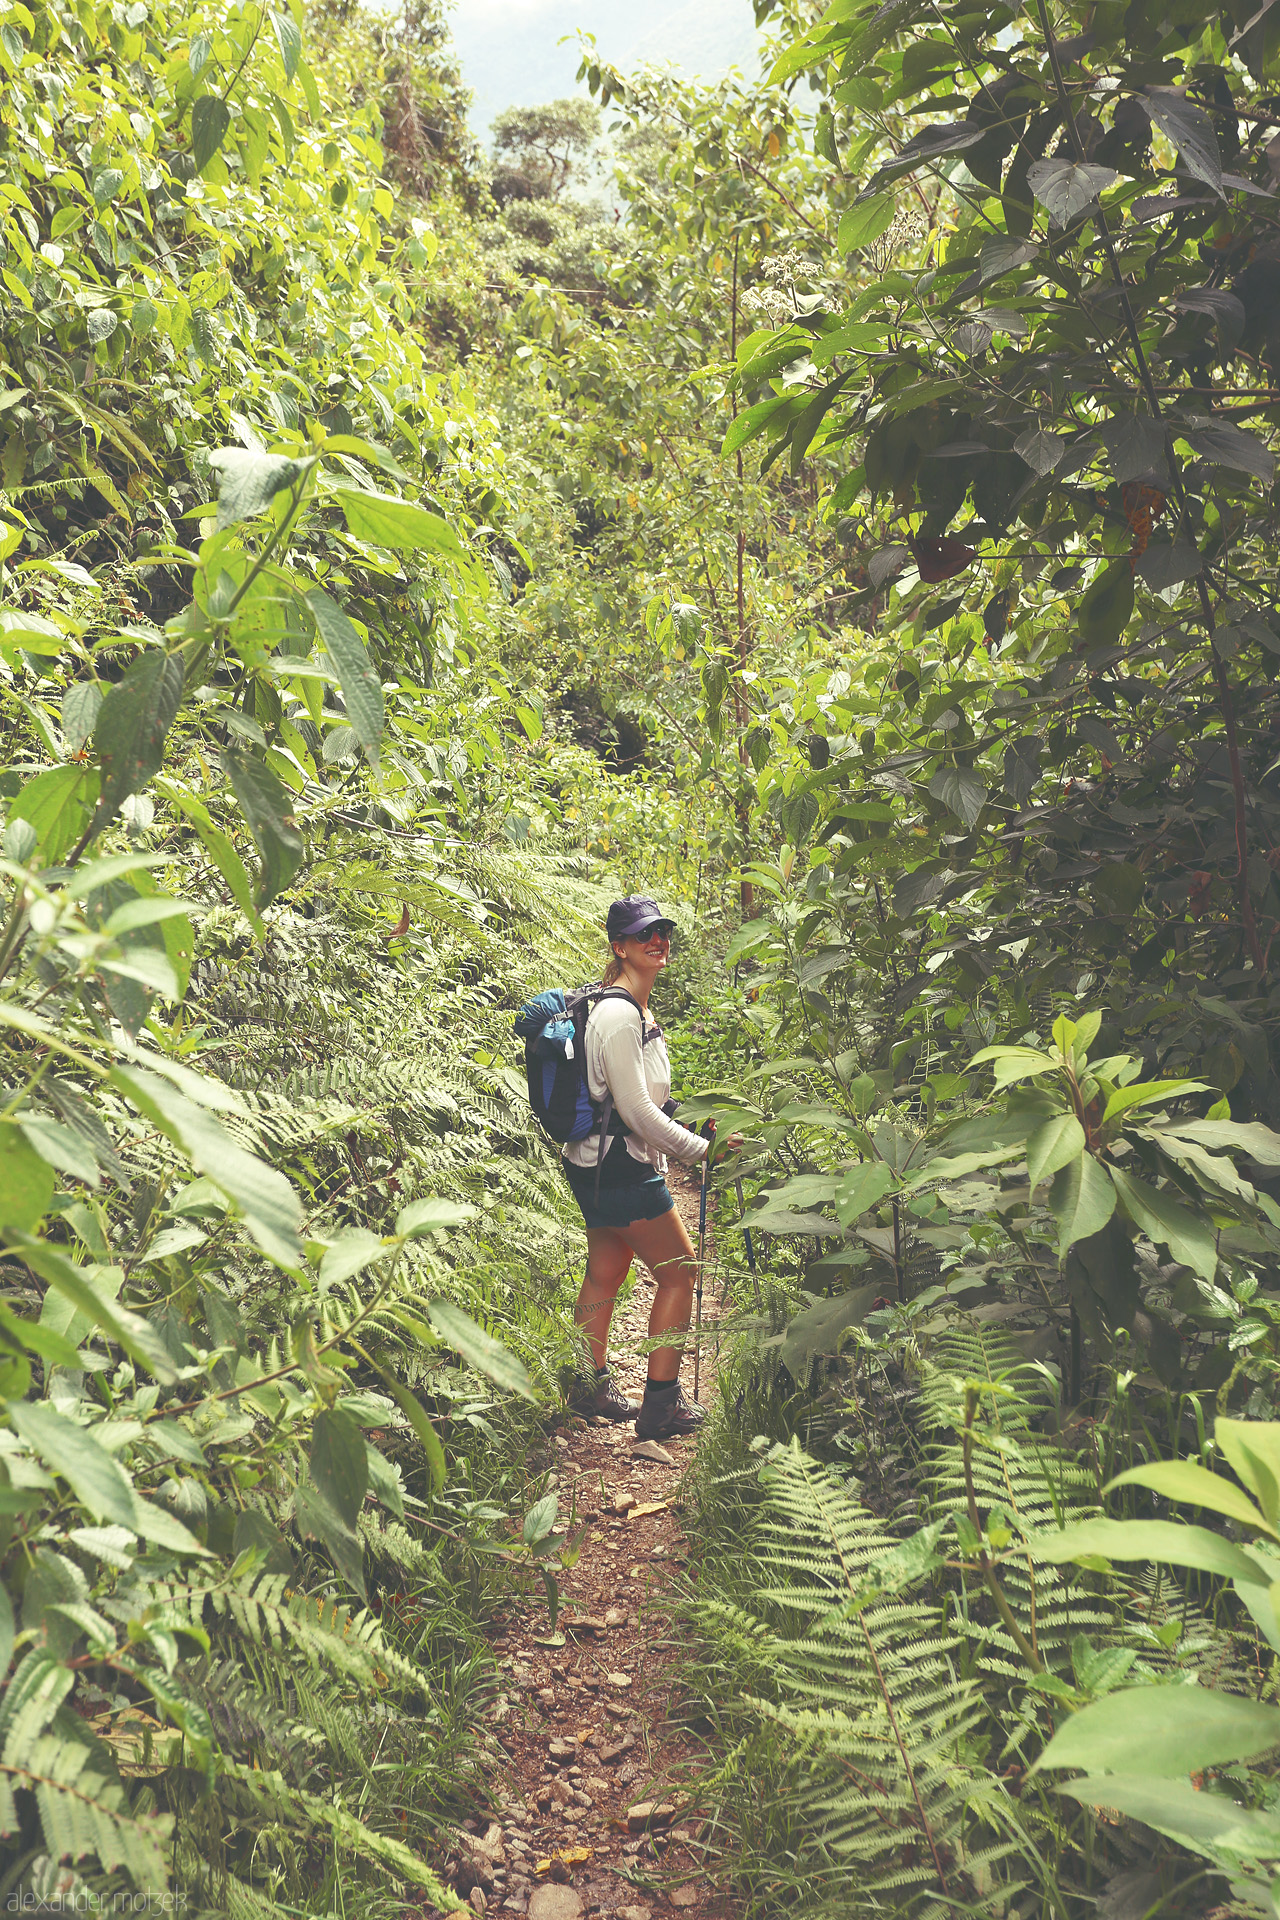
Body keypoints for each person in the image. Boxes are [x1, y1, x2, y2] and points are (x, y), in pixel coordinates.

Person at [561, 894, 737, 1440]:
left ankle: (586, 1387)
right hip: (619, 1170)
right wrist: (698, 1153)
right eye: (643, 936)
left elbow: (642, 1098)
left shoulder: (631, 1007)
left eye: (661, 931)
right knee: (681, 1272)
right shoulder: (617, 1014)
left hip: (596, 1166)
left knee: (606, 1270)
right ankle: (660, 1408)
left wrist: (689, 1121)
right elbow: (635, 1111)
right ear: (620, 947)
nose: (657, 941)